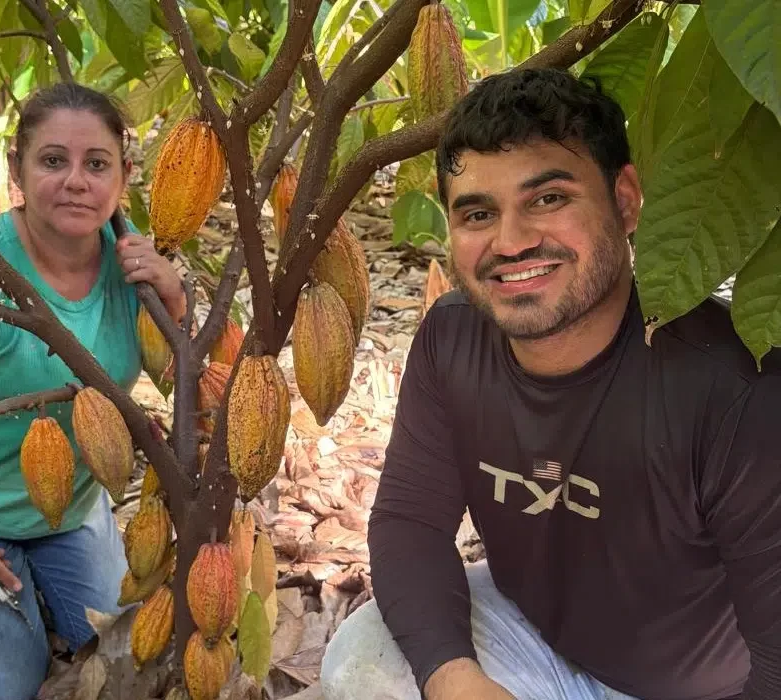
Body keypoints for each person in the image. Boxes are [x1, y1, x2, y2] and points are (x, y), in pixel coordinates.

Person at [319, 68, 781, 700]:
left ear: (624, 201)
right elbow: (410, 524)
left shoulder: (736, 392)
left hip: (702, 688)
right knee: (362, 662)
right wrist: (457, 681)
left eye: (548, 199)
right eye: (479, 213)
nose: (511, 242)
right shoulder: (453, 342)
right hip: (535, 638)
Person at [0, 83, 186, 700]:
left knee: (125, 658)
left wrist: (175, 307)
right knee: (12, 689)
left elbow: (188, 392)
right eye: (53, 160)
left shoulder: (134, 272)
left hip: (70, 510)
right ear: (18, 169)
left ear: (123, 177)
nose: (76, 180)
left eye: (96, 164)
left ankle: (49, 570)